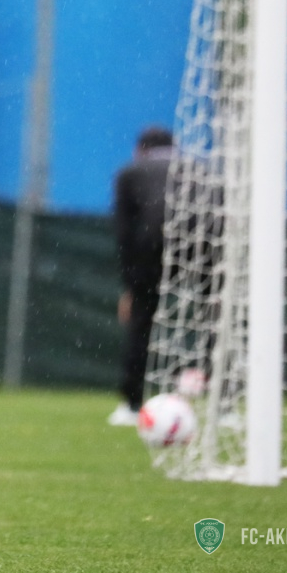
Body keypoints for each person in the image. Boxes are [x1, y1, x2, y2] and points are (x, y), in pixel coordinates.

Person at [107, 126, 173, 427]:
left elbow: (125, 234)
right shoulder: (201, 171)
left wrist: (129, 288)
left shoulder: (130, 173)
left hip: (151, 246)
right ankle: (224, 405)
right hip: (205, 246)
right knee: (215, 322)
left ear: (140, 150)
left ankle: (132, 404)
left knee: (141, 324)